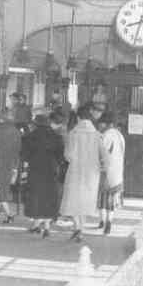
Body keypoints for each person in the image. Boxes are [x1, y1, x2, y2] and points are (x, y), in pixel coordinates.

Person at [59, 104, 107, 242]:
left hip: (75, 171)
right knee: (86, 200)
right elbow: (104, 155)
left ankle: (77, 228)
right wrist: (102, 167)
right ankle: (82, 228)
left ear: (79, 118)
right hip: (92, 173)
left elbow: (68, 155)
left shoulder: (73, 133)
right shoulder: (97, 134)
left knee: (73, 199)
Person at [22, 114, 64, 238]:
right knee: (49, 197)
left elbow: (24, 155)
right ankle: (46, 227)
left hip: (35, 170)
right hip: (51, 170)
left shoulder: (30, 136)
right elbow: (61, 156)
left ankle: (36, 225)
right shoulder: (57, 136)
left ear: (36, 124)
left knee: (36, 197)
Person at [97, 111, 125, 235]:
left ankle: (103, 221)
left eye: (101, 123)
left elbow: (102, 153)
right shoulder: (120, 135)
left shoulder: (106, 135)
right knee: (113, 198)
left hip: (107, 171)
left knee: (103, 198)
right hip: (118, 171)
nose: (100, 126)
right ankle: (109, 221)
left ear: (106, 124)